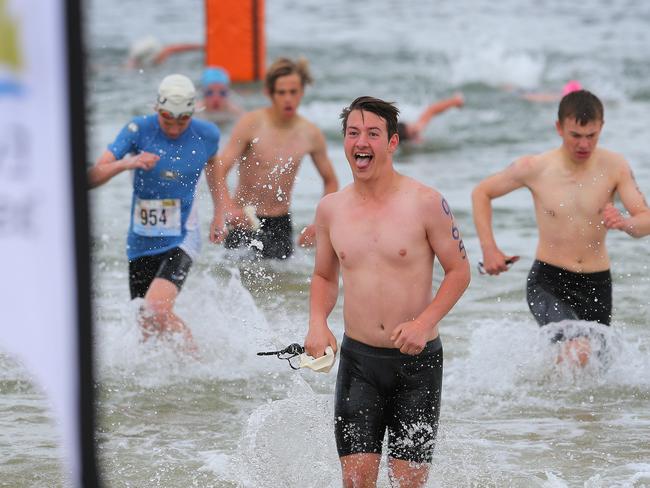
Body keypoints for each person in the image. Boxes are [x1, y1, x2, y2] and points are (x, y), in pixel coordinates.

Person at [304, 96, 471, 487]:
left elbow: (459, 271)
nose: (361, 142)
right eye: (353, 133)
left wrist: (424, 322)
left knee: (407, 484)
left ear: (392, 143)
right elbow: (324, 277)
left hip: (418, 366)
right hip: (358, 362)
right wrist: (317, 322)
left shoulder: (427, 203)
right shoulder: (331, 209)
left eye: (373, 134)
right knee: (357, 481)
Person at [472, 89, 650, 365]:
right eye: (575, 135)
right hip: (549, 281)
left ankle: (549, 407)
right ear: (559, 128)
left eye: (591, 136)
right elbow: (482, 193)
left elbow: (645, 220)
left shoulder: (615, 167)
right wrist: (489, 249)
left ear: (601, 127)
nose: (583, 144)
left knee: (594, 373)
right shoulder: (535, 167)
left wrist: (625, 223)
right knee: (578, 349)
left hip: (597, 283)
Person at [88, 74, 221, 351]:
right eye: (167, 119)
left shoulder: (207, 134)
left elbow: (214, 166)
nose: (173, 128)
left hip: (183, 236)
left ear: (192, 112)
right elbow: (92, 177)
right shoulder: (138, 130)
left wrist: (221, 210)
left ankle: (199, 364)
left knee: (157, 309)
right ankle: (165, 386)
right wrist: (129, 163)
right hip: (141, 241)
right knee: (146, 327)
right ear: (156, 110)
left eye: (182, 120)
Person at [211, 57, 338, 258]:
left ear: (302, 92)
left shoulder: (310, 134)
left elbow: (330, 181)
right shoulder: (250, 123)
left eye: (293, 92)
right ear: (269, 93)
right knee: (234, 282)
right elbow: (218, 168)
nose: (288, 99)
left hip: (280, 223)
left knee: (286, 285)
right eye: (281, 92)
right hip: (244, 220)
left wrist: (318, 225)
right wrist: (228, 208)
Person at [396, 93, 464, 144]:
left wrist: (454, 101)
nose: (415, 131)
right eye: (413, 134)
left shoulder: (418, 127)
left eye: (414, 132)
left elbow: (431, 110)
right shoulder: (414, 140)